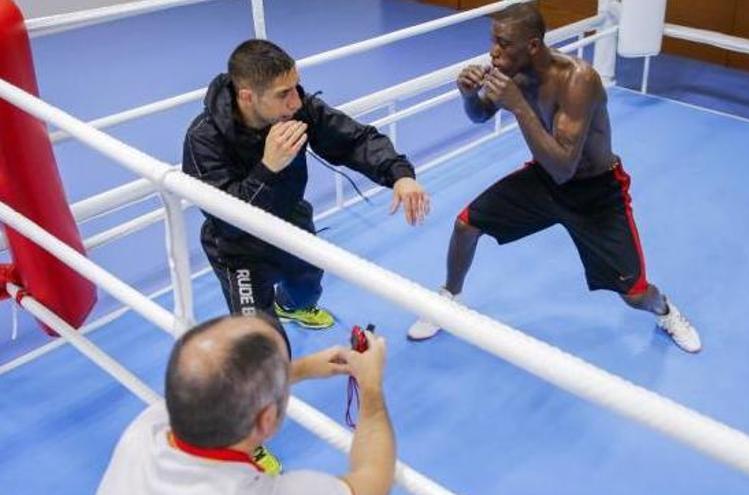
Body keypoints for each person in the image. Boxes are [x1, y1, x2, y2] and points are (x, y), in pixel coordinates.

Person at [406, 3, 701, 353]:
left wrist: (517, 105)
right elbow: (480, 115)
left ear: (532, 45)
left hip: (596, 193)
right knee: (466, 226)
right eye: (493, 41)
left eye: (503, 43)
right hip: (545, 180)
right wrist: (468, 95)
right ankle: (448, 298)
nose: (493, 51)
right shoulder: (512, 68)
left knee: (635, 294)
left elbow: (565, 165)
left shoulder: (578, 80)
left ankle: (666, 311)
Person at [183, 39, 430, 329]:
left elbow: (354, 140)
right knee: (262, 346)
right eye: (283, 94)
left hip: (291, 221)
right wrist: (267, 169)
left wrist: (400, 174)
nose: (296, 102)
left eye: (296, 87)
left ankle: (288, 306)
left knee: (305, 294)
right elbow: (227, 221)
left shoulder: (297, 109)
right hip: (239, 249)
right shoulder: (204, 139)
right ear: (247, 97)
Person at [98, 314, 395, 495]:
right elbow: (373, 478)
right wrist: (371, 386)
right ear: (266, 420)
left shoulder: (142, 432)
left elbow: (216, 387)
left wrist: (301, 368)